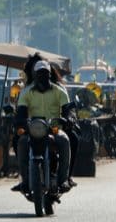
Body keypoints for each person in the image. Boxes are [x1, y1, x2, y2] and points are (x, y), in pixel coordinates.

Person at [11, 60, 74, 194]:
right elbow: (21, 112)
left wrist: (68, 118)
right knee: (21, 142)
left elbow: (67, 110)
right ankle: (25, 180)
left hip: (54, 127)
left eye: (45, 73)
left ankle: (63, 180)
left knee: (65, 141)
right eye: (39, 74)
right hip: (33, 128)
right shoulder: (26, 92)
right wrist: (20, 121)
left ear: (49, 75)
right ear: (34, 75)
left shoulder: (60, 91)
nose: (42, 77)